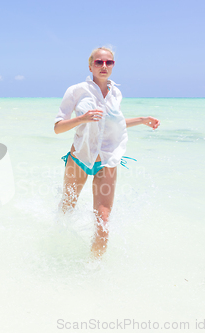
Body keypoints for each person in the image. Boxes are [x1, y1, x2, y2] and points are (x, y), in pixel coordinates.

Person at [54, 46, 160, 258]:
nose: (104, 66)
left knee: (103, 221)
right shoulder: (76, 91)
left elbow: (114, 124)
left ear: (113, 66)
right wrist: (81, 119)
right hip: (79, 158)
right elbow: (58, 127)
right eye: (99, 62)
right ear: (90, 65)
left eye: (108, 62)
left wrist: (141, 120)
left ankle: (93, 270)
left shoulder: (116, 92)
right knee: (67, 209)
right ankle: (57, 250)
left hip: (107, 162)